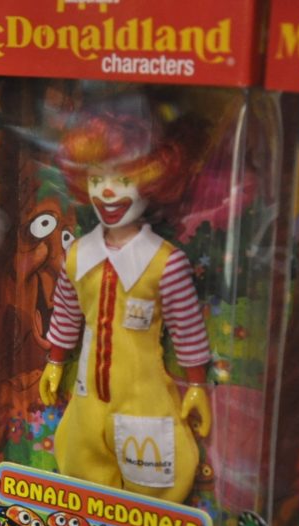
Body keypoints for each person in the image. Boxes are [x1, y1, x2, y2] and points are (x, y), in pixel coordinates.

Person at [38, 112, 211, 504]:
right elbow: (66, 312)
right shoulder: (78, 255)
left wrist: (197, 385)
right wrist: (55, 361)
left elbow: (186, 329)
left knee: (154, 483)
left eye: (124, 180)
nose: (108, 193)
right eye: (96, 180)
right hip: (88, 396)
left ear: (152, 182)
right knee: (81, 467)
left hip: (143, 396)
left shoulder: (164, 263)